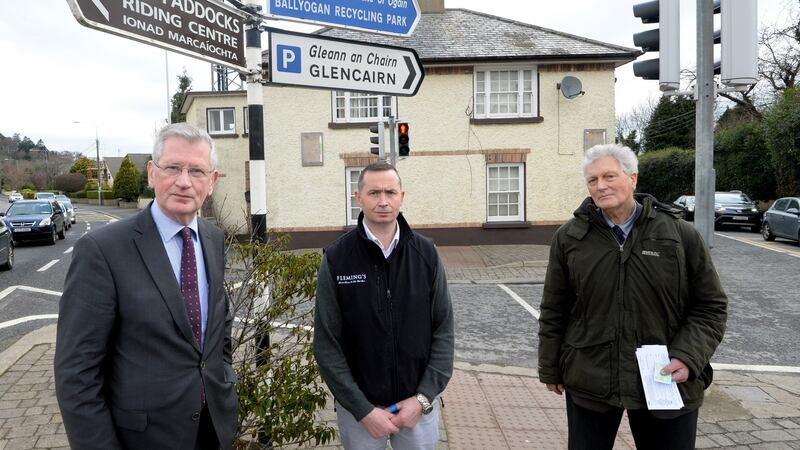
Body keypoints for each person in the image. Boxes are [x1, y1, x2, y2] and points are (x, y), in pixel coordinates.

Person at [55, 123, 238, 450]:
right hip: (140, 438)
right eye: (172, 168)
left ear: (211, 182)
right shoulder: (102, 250)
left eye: (196, 171)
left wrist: (225, 381)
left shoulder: (213, 239)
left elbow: (217, 333)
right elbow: (77, 374)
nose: (184, 181)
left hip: (213, 429)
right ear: (153, 173)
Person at [537, 144, 728, 450]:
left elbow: (710, 306)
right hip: (591, 374)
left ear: (633, 178)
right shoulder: (570, 238)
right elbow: (555, 307)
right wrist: (550, 366)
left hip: (665, 376)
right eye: (593, 180)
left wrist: (688, 356)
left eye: (610, 176)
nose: (601, 186)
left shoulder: (679, 235)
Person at [313, 161, 454, 450]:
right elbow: (327, 344)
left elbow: (444, 330)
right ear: (358, 198)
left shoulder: (426, 254)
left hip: (417, 408)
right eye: (374, 193)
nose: (383, 201)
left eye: (390, 192)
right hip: (360, 415)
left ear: (402, 196)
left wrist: (424, 398)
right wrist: (362, 409)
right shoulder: (337, 259)